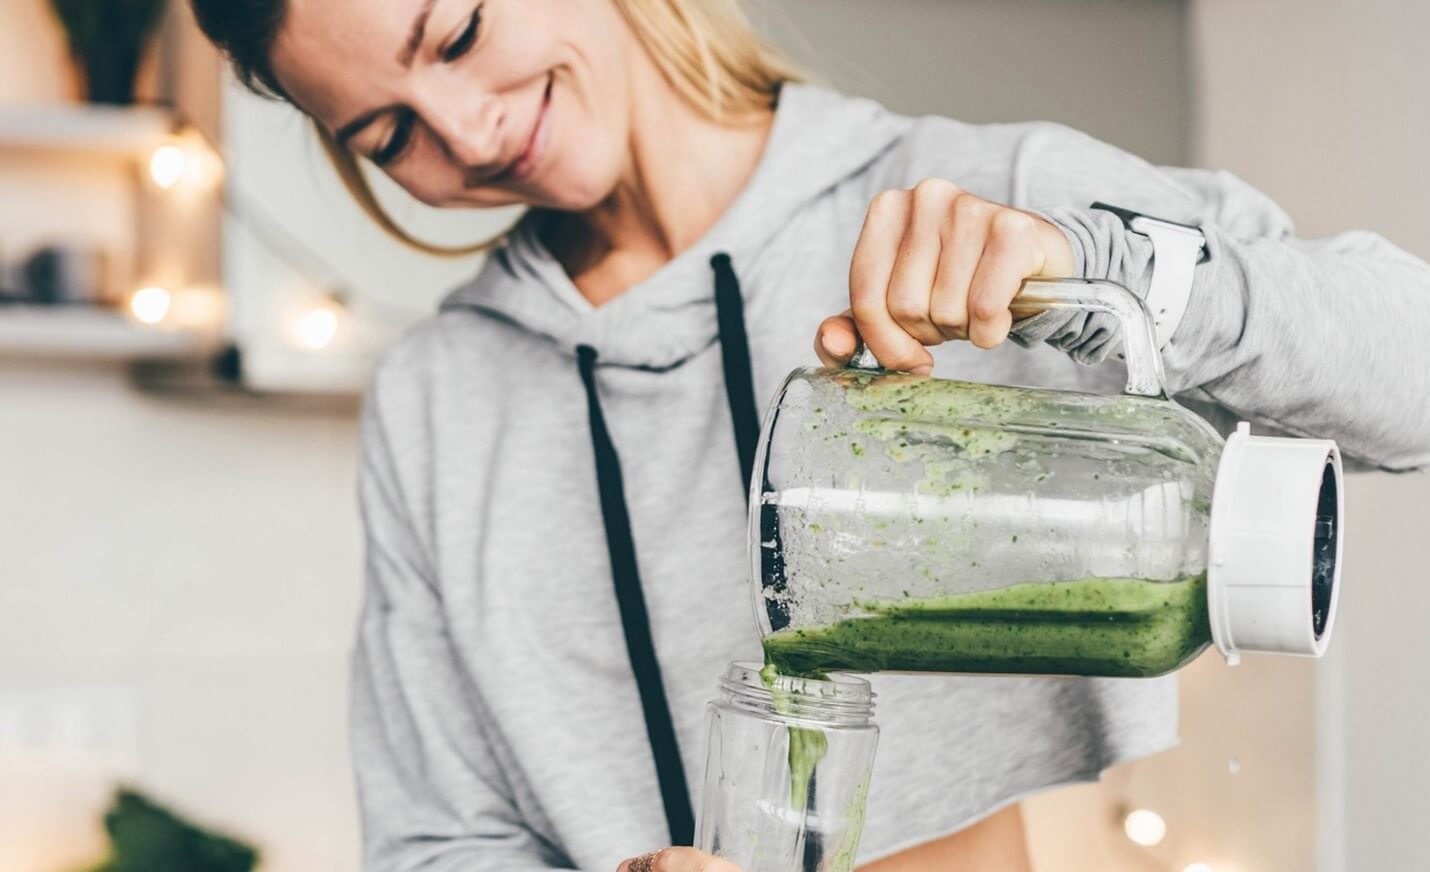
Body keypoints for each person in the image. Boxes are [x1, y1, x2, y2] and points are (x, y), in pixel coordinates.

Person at [191, 1, 1430, 869]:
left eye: (455, 33)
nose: (462, 130)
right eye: (386, 134)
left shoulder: (986, 203)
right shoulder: (439, 401)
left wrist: (1119, 277)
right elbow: (436, 836)